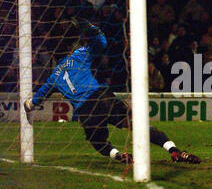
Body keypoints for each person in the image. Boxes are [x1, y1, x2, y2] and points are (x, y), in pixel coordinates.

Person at [24, 18, 200, 165]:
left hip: (86, 111)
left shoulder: (52, 78)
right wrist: (89, 28)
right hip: (103, 97)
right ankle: (174, 150)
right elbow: (101, 42)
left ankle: (120, 156)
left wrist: (28, 105)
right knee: (137, 126)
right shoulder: (78, 55)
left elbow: (35, 101)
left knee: (98, 142)